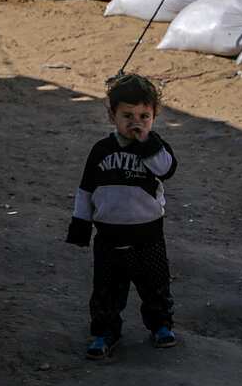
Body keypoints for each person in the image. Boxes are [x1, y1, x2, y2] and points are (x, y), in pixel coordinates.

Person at [66, 73, 179, 359]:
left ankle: (160, 326)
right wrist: (81, 226)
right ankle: (104, 333)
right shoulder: (101, 151)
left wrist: (147, 144)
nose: (136, 122)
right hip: (109, 236)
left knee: (155, 285)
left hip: (148, 236)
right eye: (127, 115)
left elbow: (167, 169)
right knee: (106, 291)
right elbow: (85, 191)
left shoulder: (155, 149)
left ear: (154, 117)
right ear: (111, 115)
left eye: (144, 116)